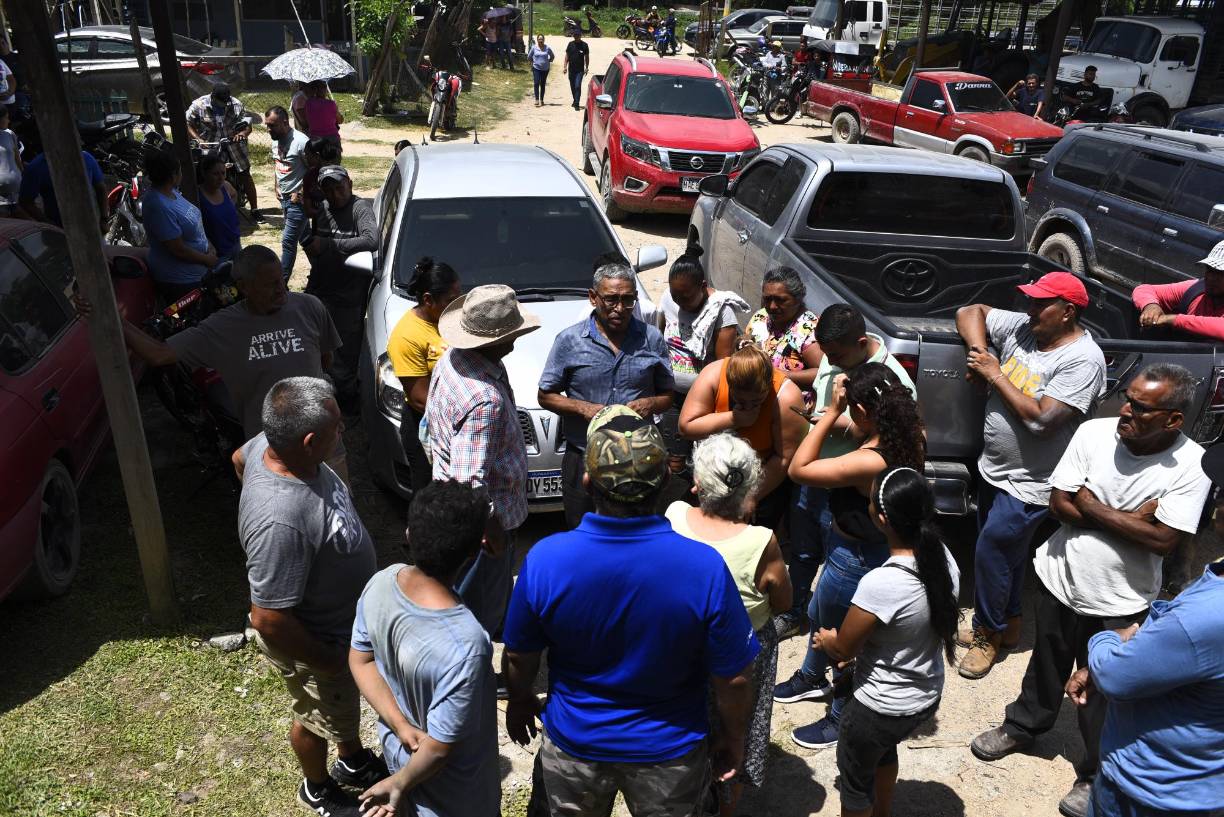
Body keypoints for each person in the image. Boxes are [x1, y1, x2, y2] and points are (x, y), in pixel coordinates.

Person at [970, 364, 1212, 817]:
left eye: (1141, 408)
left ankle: (1094, 771)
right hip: (1061, 575)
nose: (1126, 411)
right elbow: (1059, 504)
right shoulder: (1094, 433)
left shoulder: (1191, 465)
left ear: (1173, 420)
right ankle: (1023, 726)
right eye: (1128, 399)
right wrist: (1133, 520)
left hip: (1122, 597)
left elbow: (1164, 540)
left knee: (1103, 686)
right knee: (1045, 664)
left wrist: (1091, 503)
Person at [503, 405, 760, 817]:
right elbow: (734, 678)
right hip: (671, 751)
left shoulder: (546, 561)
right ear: (665, 482)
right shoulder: (704, 568)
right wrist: (734, 738)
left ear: (587, 481)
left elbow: (519, 655)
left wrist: (520, 700)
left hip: (575, 745)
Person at [233, 376, 385, 817]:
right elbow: (268, 618)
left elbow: (239, 457)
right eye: (337, 427)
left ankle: (352, 759)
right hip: (319, 641)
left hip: (340, 630)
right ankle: (317, 788)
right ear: (309, 441)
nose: (343, 430)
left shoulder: (269, 442)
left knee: (339, 710)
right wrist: (328, 659)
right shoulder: (280, 518)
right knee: (315, 717)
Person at [954, 271, 1106, 680]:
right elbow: (970, 311)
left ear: (1068, 312)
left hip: (1033, 481)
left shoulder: (1082, 360)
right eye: (1031, 300)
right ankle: (1011, 624)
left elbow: (1043, 421)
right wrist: (979, 353)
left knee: (992, 550)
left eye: (1041, 303)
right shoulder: (1026, 328)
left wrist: (995, 374)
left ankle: (988, 633)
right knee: (1007, 554)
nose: (1030, 309)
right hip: (995, 469)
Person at [1064, 446, 1224, 817]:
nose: (1217, 498)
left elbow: (1116, 676)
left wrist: (1109, 638)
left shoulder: (1206, 615)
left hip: (1150, 793)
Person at [776, 363, 926, 751]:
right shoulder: (911, 436)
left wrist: (830, 412)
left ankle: (840, 716)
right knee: (821, 619)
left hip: (854, 559)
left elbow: (799, 469)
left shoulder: (870, 460)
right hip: (862, 548)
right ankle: (811, 678)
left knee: (842, 641)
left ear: (862, 411)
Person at [100, 245, 344, 467]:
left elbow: (326, 359)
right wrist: (114, 317)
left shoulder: (310, 306)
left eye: (281, 279)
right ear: (244, 287)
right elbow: (158, 354)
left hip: (326, 442)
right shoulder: (223, 326)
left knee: (338, 501)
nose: (281, 289)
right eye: (270, 284)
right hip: (273, 452)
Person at [349, 480, 500, 817]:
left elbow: (360, 660)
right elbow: (439, 748)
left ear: (408, 534)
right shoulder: (467, 644)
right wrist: (400, 784)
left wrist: (400, 728)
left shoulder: (381, 582)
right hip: (458, 795)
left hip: (400, 755)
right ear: (475, 552)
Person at [815, 466, 960, 817]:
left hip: (879, 707)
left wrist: (826, 639)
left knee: (855, 785)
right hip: (924, 696)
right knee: (883, 751)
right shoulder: (943, 557)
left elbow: (844, 649)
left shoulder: (881, 584)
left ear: (881, 518)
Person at [666, 432, 792, 817]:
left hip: (683, 645)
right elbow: (784, 602)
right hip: (745, 651)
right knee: (737, 725)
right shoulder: (761, 540)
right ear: (751, 487)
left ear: (697, 483)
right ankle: (725, 802)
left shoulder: (674, 515)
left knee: (687, 724)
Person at [776, 303, 919, 641]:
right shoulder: (837, 352)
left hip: (844, 484)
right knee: (803, 550)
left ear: (860, 343)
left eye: (836, 355)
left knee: (837, 561)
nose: (830, 361)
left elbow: (901, 437)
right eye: (827, 354)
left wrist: (842, 422)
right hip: (816, 471)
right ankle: (795, 612)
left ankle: (837, 632)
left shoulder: (893, 380)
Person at [426, 284, 540, 637]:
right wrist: (491, 531)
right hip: (484, 525)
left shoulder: (453, 360)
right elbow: (469, 484)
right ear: (496, 340)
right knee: (477, 612)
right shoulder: (483, 398)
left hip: (460, 511)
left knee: (478, 598)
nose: (516, 338)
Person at [538, 260, 674, 528]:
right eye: (611, 300)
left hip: (638, 460)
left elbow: (668, 395)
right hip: (583, 455)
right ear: (593, 297)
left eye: (628, 300)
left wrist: (651, 403)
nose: (619, 308)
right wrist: (583, 408)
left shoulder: (652, 339)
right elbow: (545, 395)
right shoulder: (569, 341)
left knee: (636, 532)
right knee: (582, 530)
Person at [679, 342, 806, 528]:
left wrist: (751, 496)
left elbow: (784, 458)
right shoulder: (713, 374)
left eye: (756, 400)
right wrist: (734, 418)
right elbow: (686, 427)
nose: (748, 406)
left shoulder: (787, 397)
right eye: (739, 399)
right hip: (711, 475)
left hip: (760, 481)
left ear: (768, 385)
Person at [654, 244, 748, 491]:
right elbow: (660, 337)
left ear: (703, 286)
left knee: (709, 464)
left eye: (686, 297)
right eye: (675, 296)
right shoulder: (669, 299)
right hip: (674, 397)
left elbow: (722, 365)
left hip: (707, 401)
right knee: (673, 462)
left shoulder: (721, 311)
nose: (680, 303)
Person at [301, 165, 378, 412]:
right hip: (321, 290)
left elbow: (371, 239)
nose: (335, 194)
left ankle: (348, 401)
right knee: (318, 346)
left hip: (348, 296)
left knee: (345, 352)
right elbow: (315, 244)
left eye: (339, 187)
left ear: (350, 184)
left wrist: (329, 245)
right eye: (329, 190)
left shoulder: (359, 208)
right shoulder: (322, 209)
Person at [387, 258, 462, 494]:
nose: (457, 305)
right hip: (428, 426)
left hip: (453, 421)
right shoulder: (407, 336)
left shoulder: (447, 319)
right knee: (431, 496)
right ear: (428, 300)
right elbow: (420, 398)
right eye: (451, 300)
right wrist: (466, 415)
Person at [140, 149, 216, 302]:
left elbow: (193, 224)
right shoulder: (158, 205)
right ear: (173, 175)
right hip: (180, 283)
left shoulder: (171, 192)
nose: (182, 174)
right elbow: (178, 249)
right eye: (180, 170)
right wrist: (206, 260)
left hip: (198, 273)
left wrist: (209, 245)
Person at [745, 267, 822, 408]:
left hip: (788, 409)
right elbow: (747, 338)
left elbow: (821, 373)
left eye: (780, 300)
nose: (772, 306)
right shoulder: (761, 317)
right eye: (767, 299)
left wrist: (775, 375)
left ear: (797, 299)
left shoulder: (808, 329)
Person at [185, 82, 260, 220]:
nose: (222, 107)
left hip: (234, 144)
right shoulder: (199, 105)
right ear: (212, 97)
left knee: (244, 174)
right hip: (210, 145)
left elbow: (248, 125)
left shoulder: (236, 105)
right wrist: (199, 140)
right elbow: (187, 122)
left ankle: (255, 209)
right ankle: (212, 207)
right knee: (208, 175)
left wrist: (242, 133)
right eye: (219, 104)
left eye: (225, 104)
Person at [1133, 239, 1224, 341]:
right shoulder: (1196, 290)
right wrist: (1151, 306)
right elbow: (1144, 289)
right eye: (1210, 270)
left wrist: (1171, 319)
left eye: (1221, 273)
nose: (1211, 278)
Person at [265, 105, 310, 279]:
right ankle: (323, 273)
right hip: (284, 198)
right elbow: (277, 163)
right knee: (307, 240)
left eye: (272, 125)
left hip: (297, 201)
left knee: (288, 242)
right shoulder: (275, 139)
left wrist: (301, 191)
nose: (268, 129)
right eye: (267, 125)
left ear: (285, 122)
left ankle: (281, 283)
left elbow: (314, 169)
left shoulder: (301, 142)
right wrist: (276, 184)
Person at [17, 149, 108, 229]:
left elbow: (100, 188)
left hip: (90, 225)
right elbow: (25, 202)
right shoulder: (37, 167)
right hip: (59, 228)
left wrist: (104, 219)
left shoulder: (86, 158)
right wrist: (47, 223)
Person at [197, 152, 241, 265]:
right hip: (217, 254)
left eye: (223, 173)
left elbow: (234, 194)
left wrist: (229, 209)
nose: (221, 178)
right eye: (215, 174)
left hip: (235, 245)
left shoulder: (225, 186)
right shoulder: (197, 196)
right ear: (204, 174)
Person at [0, 105, 24, 217]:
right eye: (6, 117)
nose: (9, 121)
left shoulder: (10, 134)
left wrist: (23, 174)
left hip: (16, 191)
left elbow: (17, 158)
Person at [304, 80, 343, 145]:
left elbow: (307, 121)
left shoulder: (308, 103)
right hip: (332, 138)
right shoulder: (331, 104)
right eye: (325, 87)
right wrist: (336, 108)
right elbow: (340, 121)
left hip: (315, 138)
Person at [563, 29, 589, 110]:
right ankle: (575, 100)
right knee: (572, 86)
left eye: (577, 35)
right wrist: (565, 67)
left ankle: (577, 103)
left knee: (577, 86)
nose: (576, 37)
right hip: (571, 69)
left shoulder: (584, 45)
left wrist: (586, 67)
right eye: (575, 35)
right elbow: (567, 56)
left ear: (580, 36)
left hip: (580, 70)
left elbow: (587, 57)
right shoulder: (570, 44)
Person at [528, 35, 554, 106]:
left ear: (544, 40)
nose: (541, 41)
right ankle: (537, 99)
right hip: (536, 68)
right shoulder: (534, 48)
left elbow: (552, 56)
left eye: (542, 39)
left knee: (542, 84)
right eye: (539, 39)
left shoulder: (547, 48)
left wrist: (548, 61)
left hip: (545, 69)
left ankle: (542, 100)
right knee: (536, 83)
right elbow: (529, 57)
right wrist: (532, 63)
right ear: (537, 40)